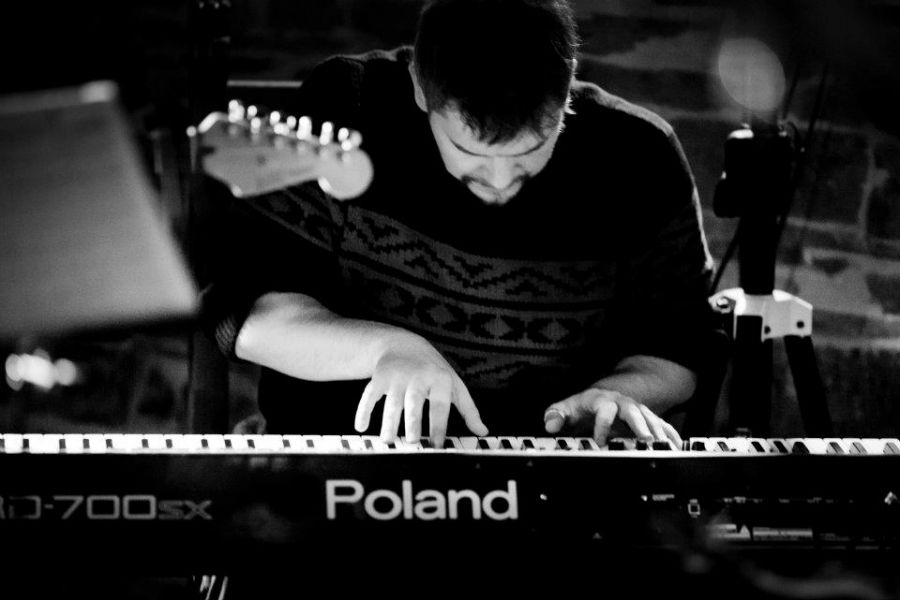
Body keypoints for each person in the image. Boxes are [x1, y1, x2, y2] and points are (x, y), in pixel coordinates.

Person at [200, 0, 715, 449]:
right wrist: (386, 348)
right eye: (469, 153)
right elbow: (244, 316)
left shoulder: (641, 157)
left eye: (530, 153)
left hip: (550, 473)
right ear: (420, 88)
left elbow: (681, 346)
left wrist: (621, 393)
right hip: (340, 466)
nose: (499, 183)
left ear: (566, 91)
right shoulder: (347, 106)